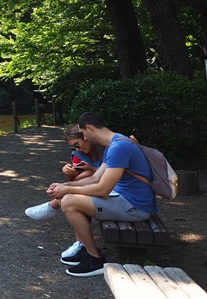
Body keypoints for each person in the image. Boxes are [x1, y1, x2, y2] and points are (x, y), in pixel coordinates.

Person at [45, 112, 158, 277]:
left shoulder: (118, 148)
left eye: (84, 135)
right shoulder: (116, 142)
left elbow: (102, 189)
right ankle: (87, 250)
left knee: (69, 201)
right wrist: (64, 185)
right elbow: (96, 178)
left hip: (135, 207)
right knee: (68, 197)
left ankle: (95, 258)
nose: (86, 139)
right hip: (126, 200)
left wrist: (68, 190)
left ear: (89, 128)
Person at [24, 124, 104, 259]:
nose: (78, 149)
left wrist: (92, 168)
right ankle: (81, 243)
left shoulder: (106, 149)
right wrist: (67, 173)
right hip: (93, 186)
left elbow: (108, 175)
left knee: (81, 185)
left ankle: (52, 206)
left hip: (111, 189)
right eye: (74, 147)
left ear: (86, 136)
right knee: (81, 182)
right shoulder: (78, 154)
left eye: (78, 144)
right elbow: (76, 179)